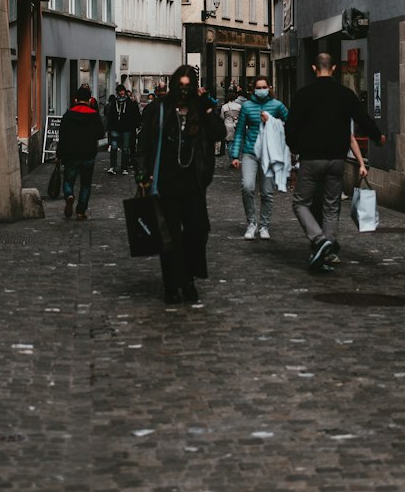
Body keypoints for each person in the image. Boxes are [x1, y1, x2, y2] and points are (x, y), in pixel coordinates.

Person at [285, 53, 387, 271]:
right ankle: (328, 250)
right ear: (333, 69)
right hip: (337, 159)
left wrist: (294, 147)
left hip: (311, 159)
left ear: (314, 68)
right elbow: (363, 118)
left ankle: (319, 240)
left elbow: (291, 126)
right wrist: (378, 137)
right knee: (332, 206)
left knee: (301, 202)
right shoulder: (345, 94)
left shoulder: (304, 95)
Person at [134, 64, 223, 304]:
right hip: (165, 182)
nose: (183, 91)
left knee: (198, 229)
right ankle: (172, 285)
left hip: (193, 182)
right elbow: (143, 145)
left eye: (188, 86)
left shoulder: (199, 109)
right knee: (169, 235)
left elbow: (219, 133)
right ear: (174, 86)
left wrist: (207, 109)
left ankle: (187, 276)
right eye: (180, 86)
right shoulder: (159, 110)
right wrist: (142, 175)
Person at [229, 76, 288, 240]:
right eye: (259, 87)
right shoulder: (247, 107)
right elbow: (240, 131)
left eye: (264, 87)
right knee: (247, 187)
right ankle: (252, 223)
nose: (262, 90)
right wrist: (235, 155)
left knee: (267, 192)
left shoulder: (277, 106)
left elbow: (290, 124)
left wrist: (272, 121)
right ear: (254, 89)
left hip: (268, 154)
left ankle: (264, 226)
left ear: (269, 88)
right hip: (250, 152)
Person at [57, 86, 104, 220]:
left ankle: (69, 195)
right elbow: (101, 133)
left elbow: (62, 136)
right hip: (88, 154)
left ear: (76, 99)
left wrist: (59, 153)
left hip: (71, 154)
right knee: (85, 184)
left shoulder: (68, 115)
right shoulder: (94, 115)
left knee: (68, 180)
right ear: (89, 99)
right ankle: (80, 211)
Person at [106, 82, 140, 175]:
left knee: (125, 149)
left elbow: (135, 115)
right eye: (120, 91)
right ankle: (113, 166)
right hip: (115, 128)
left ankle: (124, 167)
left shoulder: (130, 102)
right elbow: (110, 116)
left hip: (126, 129)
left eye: (122, 91)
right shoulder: (114, 103)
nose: (121, 93)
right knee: (114, 148)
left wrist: (135, 126)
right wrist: (109, 128)